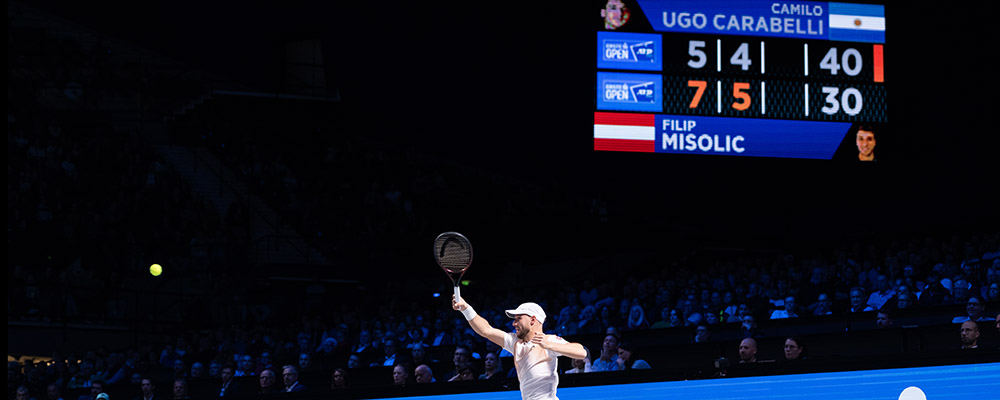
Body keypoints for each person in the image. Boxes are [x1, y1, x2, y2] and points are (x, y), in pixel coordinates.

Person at [452, 296, 586, 400]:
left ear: (532, 320)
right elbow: (486, 330)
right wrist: (465, 308)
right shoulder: (514, 342)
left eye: (518, 319)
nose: (513, 323)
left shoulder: (549, 340)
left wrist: (551, 346)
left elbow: (581, 352)